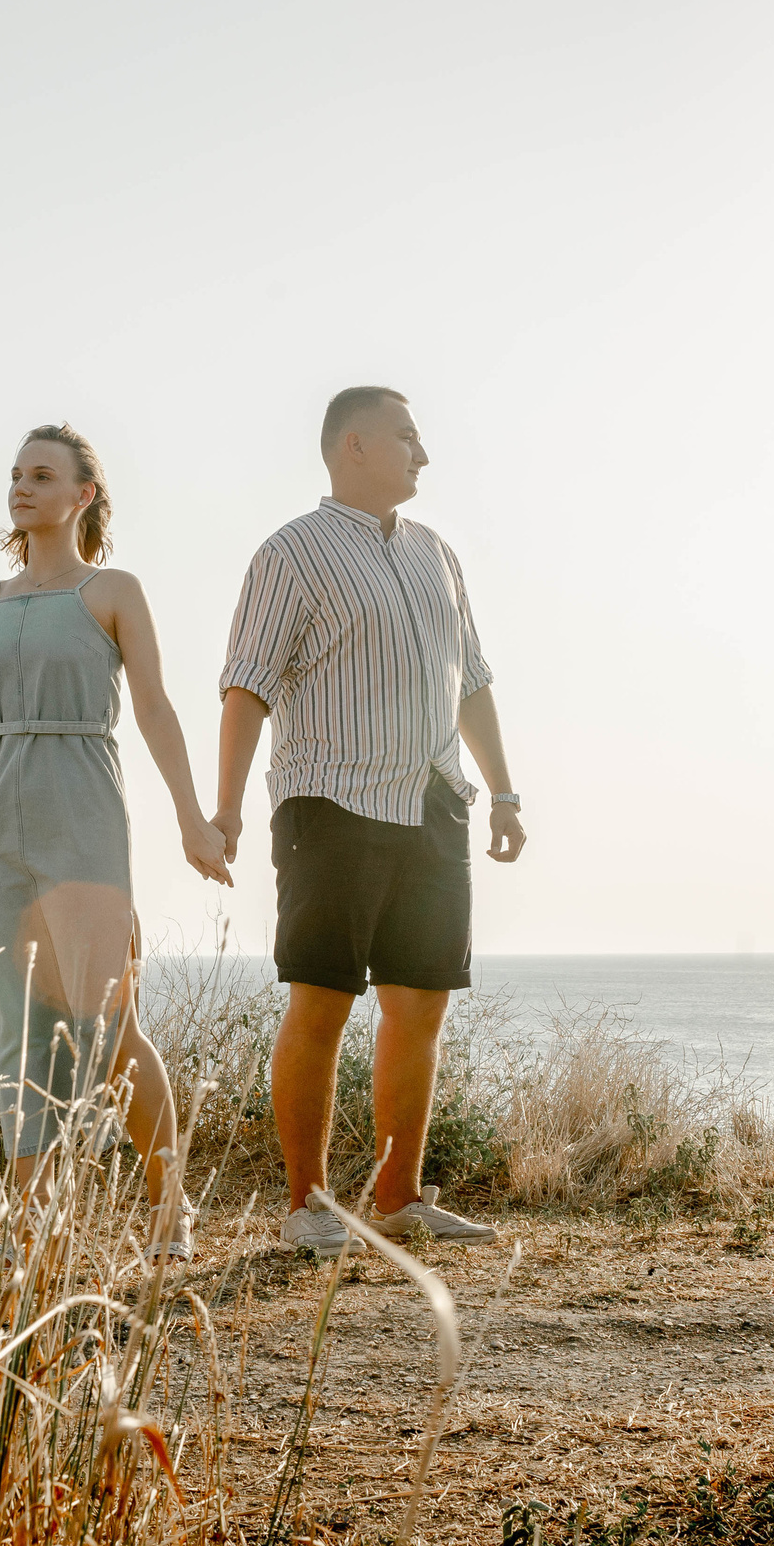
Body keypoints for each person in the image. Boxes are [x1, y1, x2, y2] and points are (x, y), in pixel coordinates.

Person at [212, 387, 526, 1255]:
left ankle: (398, 1197)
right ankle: (307, 1205)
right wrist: (227, 806)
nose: (423, 454)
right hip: (332, 800)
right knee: (322, 1000)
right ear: (353, 444)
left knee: (420, 1001)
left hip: (432, 802)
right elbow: (248, 685)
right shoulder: (292, 553)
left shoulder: (438, 555)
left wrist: (502, 792)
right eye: (407, 437)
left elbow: (473, 681)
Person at [0, 423, 232, 1262]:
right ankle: (31, 1221)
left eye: (41, 475)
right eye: (16, 475)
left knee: (107, 1028)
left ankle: (168, 1204)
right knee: (18, 1026)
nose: (21, 487)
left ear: (82, 496)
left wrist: (192, 818)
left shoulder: (114, 591)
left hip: (84, 813)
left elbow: (156, 710)